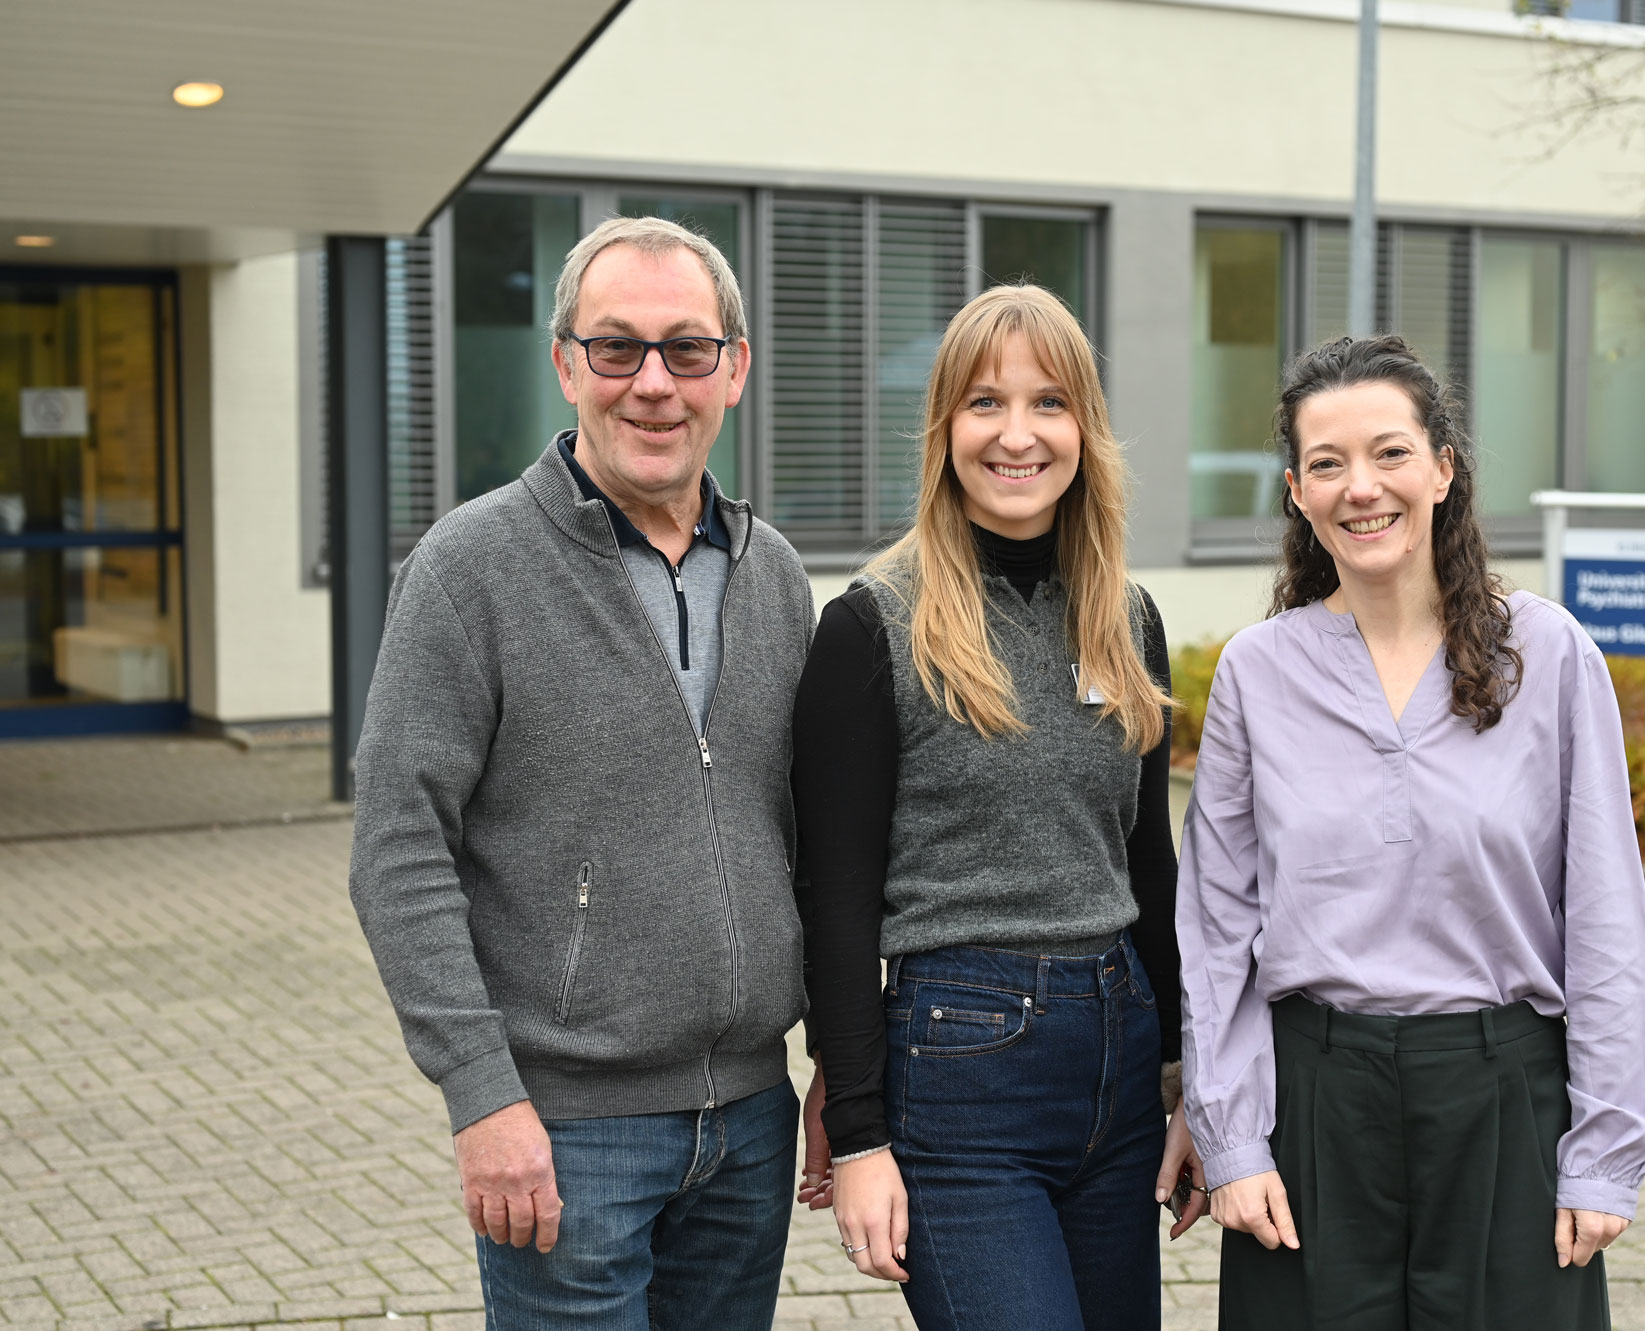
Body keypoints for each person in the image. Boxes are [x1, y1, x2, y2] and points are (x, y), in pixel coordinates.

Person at [347, 215, 816, 1330]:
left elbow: (817, 838)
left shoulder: (777, 577)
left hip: (752, 1120)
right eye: (617, 347)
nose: (652, 382)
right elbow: (396, 846)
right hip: (565, 1135)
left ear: (733, 370)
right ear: (566, 363)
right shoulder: (470, 569)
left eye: (686, 348)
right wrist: (480, 1092)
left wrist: (841, 1063)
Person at [1177, 334, 1645, 1330]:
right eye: (1326, 463)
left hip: (1500, 1099)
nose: (1360, 487)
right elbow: (1215, 924)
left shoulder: (1548, 654)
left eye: (1389, 452)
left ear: (1443, 468)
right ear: (1296, 491)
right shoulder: (1256, 673)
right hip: (1312, 1105)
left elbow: (1605, 914)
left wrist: (1603, 1150)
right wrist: (1227, 1137)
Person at [790, 284, 1204, 1331]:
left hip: (1120, 1064)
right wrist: (861, 1134)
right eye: (984, 403)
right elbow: (833, 899)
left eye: (1047, 403)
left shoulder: (1126, 615)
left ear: (1084, 428)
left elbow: (1145, 862)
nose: (1016, 434)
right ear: (944, 427)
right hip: (959, 1069)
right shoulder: (871, 623)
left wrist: (1194, 1078)